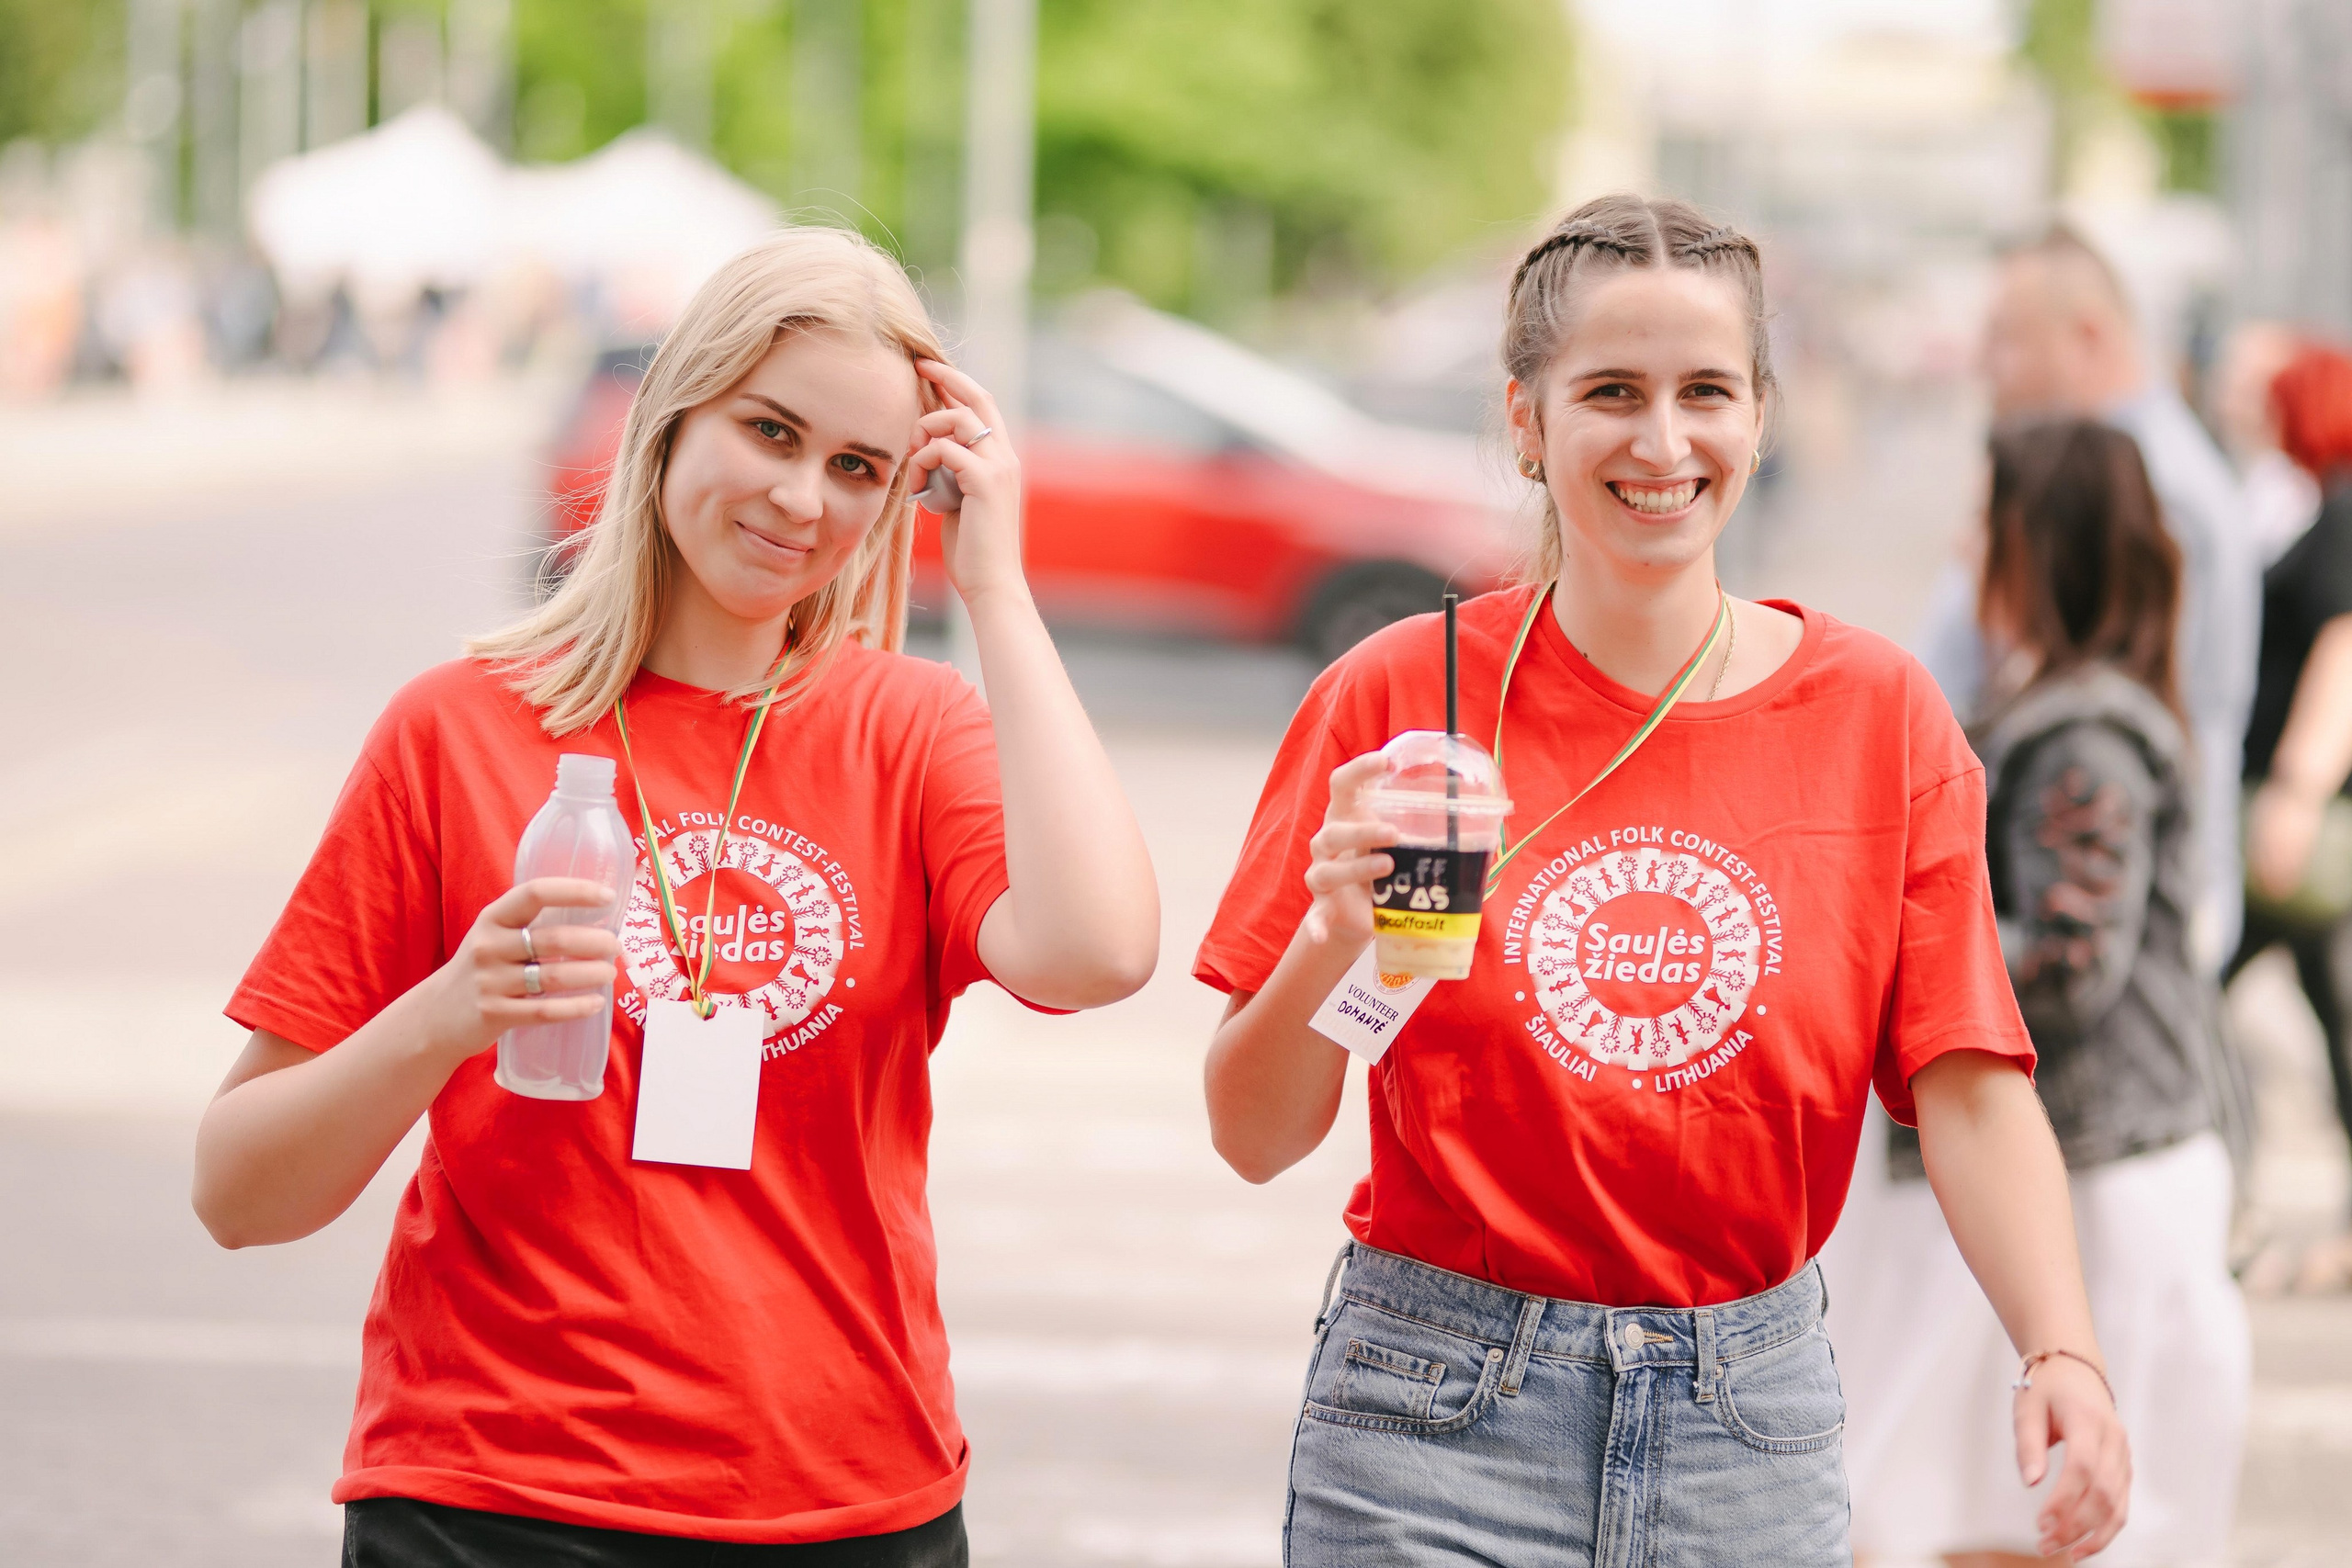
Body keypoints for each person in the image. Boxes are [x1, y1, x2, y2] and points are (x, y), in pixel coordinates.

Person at [191, 227, 1159, 1564]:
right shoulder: (457, 727)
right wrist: (448, 1014)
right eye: (770, 430)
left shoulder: (913, 729)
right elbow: (240, 1192)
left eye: (858, 467)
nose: (804, 498)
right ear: (672, 416)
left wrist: (994, 581)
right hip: (492, 1498)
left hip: (841, 1497)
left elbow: (1100, 950)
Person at [1194, 194, 2131, 1567]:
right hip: (1431, 1415)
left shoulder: (1880, 715)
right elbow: (1255, 1132)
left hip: (1743, 1426)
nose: (1662, 439)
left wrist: (2065, 1348)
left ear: (1761, 416)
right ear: (1526, 420)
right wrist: (1337, 931)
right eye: (1611, 392)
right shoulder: (1402, 696)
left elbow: (1970, 1084)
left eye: (1706, 392)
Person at [1831, 420, 2250, 1567]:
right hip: (2080, 1170)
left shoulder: (2085, 734)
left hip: (2093, 1177)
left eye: (1987, 520)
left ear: (2034, 542)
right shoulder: (2072, 708)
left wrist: (1884, 939)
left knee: (2004, 1521)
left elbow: (2071, 962)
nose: (1966, 545)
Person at [1916, 225, 2260, 971]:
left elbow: (2128, 725)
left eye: (2005, 338)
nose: (1984, 363)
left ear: (2087, 337)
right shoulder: (2086, 462)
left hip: (2095, 919)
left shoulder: (2155, 486)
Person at [2230, 342, 2352, 1292]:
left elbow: (2344, 648)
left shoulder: (2344, 513)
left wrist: (2295, 790)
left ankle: (2227, 1205)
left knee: (2192, 993)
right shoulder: (2323, 506)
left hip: (2301, 816)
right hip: (2298, 814)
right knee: (2329, 1016)